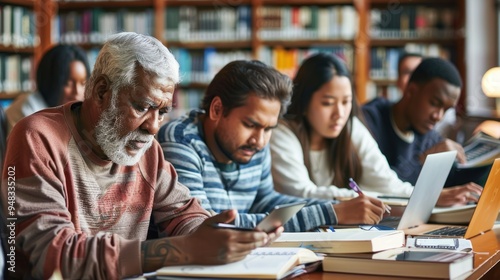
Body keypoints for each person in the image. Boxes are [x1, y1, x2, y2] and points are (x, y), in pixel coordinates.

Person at [0, 32, 277, 279]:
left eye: (163, 112)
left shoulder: (147, 150)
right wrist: (178, 250)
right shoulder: (36, 137)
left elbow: (183, 215)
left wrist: (222, 236)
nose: (154, 126)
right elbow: (54, 258)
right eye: (143, 106)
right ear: (100, 92)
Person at [158, 60, 387, 232]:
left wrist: (338, 206)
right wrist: (329, 213)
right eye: (250, 125)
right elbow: (208, 226)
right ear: (217, 110)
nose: (260, 140)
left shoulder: (252, 145)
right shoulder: (180, 140)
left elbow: (265, 201)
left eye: (269, 129)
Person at [269, 53, 477, 207]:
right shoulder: (281, 133)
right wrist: (362, 198)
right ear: (304, 101)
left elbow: (387, 184)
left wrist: (431, 196)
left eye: (346, 102)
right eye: (328, 103)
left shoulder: (350, 127)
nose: (339, 113)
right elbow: (301, 193)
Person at [362, 57, 482, 205]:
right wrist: (422, 163)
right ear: (411, 91)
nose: (438, 116)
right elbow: (379, 185)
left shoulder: (429, 136)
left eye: (445, 109)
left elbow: (454, 185)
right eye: (434, 103)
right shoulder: (367, 121)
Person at [5, 44, 90, 132]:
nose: (77, 91)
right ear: (51, 80)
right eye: (68, 84)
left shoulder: (72, 115)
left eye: (83, 83)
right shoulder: (28, 110)